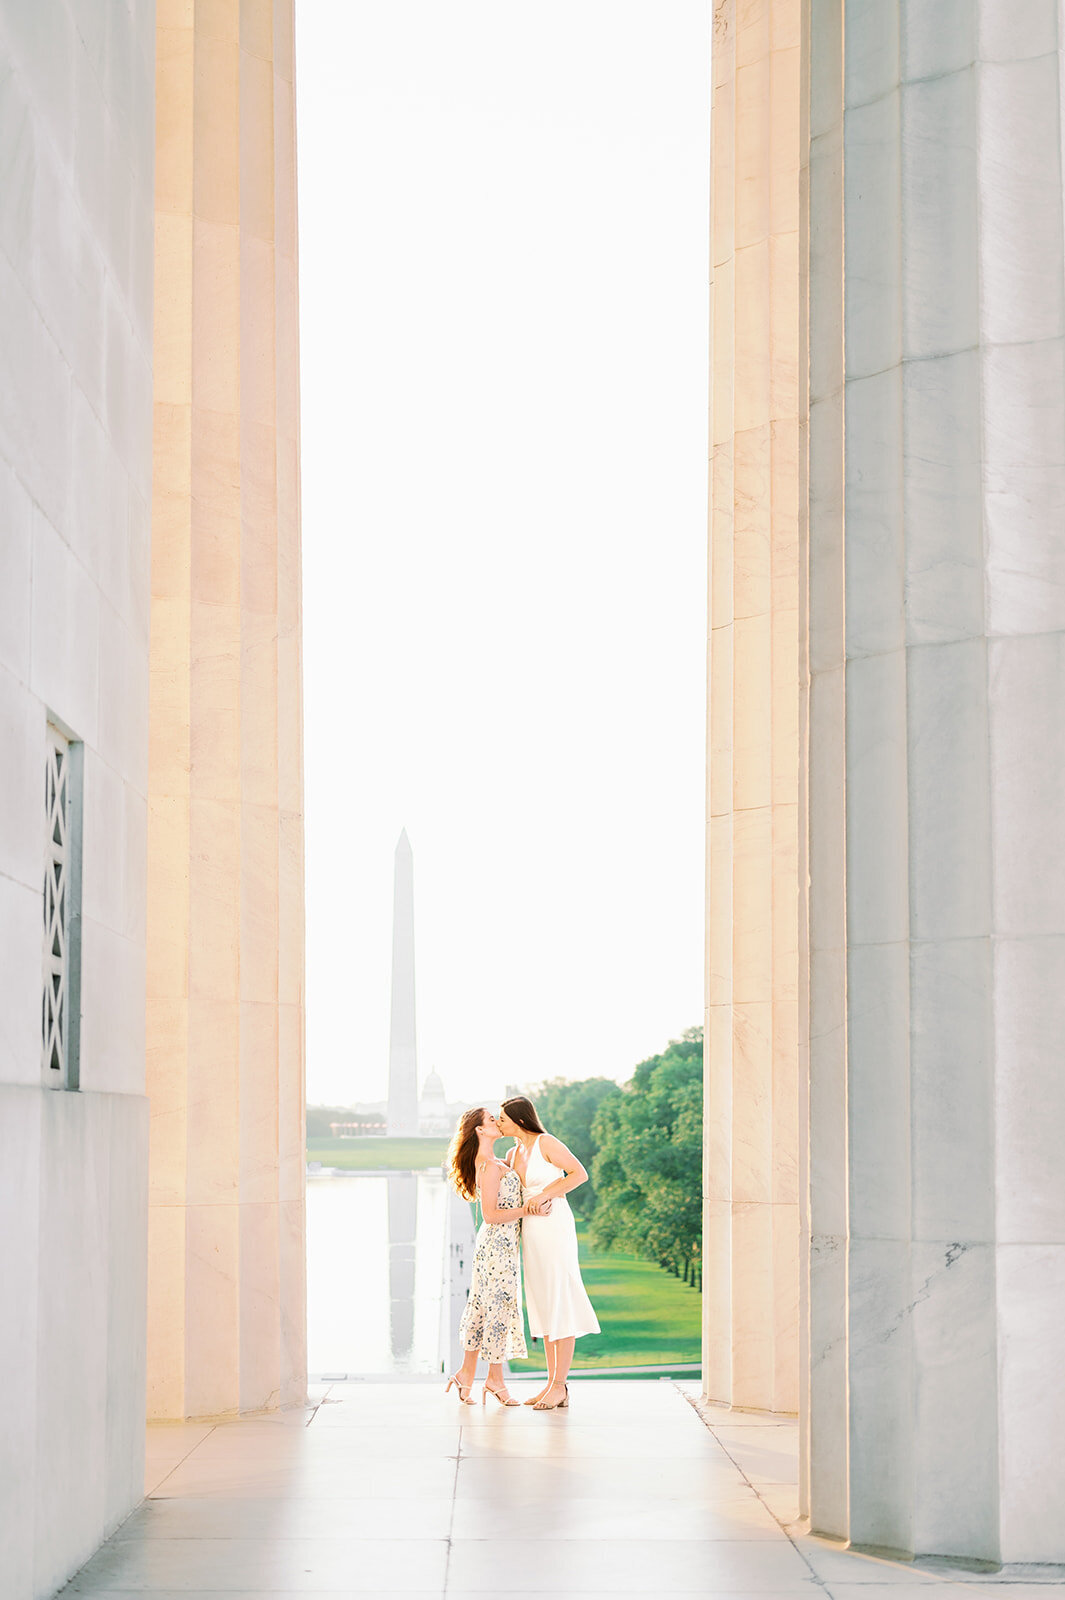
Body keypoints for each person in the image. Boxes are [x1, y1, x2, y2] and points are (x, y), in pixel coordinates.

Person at [498, 1094, 599, 1411]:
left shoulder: (546, 1143)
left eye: (502, 1118)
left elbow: (579, 1174)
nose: (499, 1123)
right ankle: (551, 1384)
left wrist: (546, 1195)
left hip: (554, 1226)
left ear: (519, 1119)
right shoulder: (513, 1153)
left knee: (560, 1300)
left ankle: (559, 1386)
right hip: (531, 1230)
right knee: (542, 1302)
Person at [445, 1106, 551, 1406]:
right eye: (491, 1120)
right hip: (496, 1246)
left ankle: (467, 1375)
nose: (497, 1122)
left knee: (483, 1308)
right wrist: (530, 1210)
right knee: (498, 1311)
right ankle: (494, 1380)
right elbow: (491, 1215)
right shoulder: (489, 1167)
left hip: (500, 1247)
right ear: (480, 1130)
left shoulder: (496, 1161)